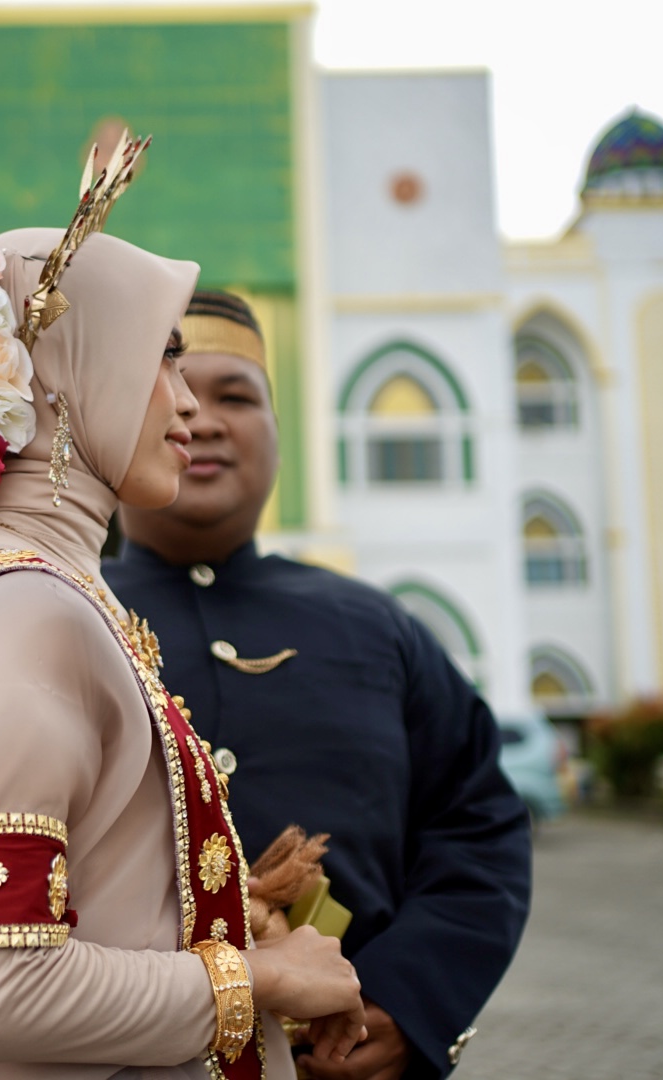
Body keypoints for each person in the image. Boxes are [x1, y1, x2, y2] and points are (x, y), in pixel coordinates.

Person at [0, 149, 368, 1080]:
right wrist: (261, 980)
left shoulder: (35, 592)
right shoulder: (25, 614)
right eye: (164, 356)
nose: (188, 404)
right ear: (62, 374)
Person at [104, 291, 533, 1080]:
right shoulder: (49, 609)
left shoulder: (378, 627)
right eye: (173, 389)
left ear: (279, 433)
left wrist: (409, 1001)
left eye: (238, 397)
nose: (203, 417)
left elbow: (478, 825)